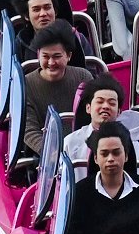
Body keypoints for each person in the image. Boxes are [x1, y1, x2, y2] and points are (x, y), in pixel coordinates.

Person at [13, 24, 96, 171]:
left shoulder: (83, 76)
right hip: (47, 158)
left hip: (85, 151)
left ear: (68, 56)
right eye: (46, 57)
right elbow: (29, 130)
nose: (51, 63)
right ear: (38, 55)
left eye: (57, 56)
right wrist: (52, 154)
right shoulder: (25, 85)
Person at [61, 81, 132, 170]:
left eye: (112, 103)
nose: (105, 106)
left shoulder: (131, 142)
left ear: (119, 112)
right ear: (88, 108)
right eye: (100, 102)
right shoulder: (71, 142)